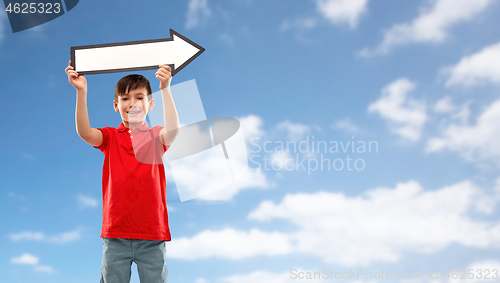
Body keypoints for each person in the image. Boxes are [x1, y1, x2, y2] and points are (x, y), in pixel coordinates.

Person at [65, 60, 179, 283]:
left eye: (139, 98)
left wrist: (165, 87)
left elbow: (174, 130)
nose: (132, 103)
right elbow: (85, 132)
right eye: (125, 98)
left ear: (150, 104)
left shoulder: (156, 136)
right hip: (115, 234)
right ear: (116, 105)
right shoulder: (110, 137)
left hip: (152, 234)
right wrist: (81, 92)